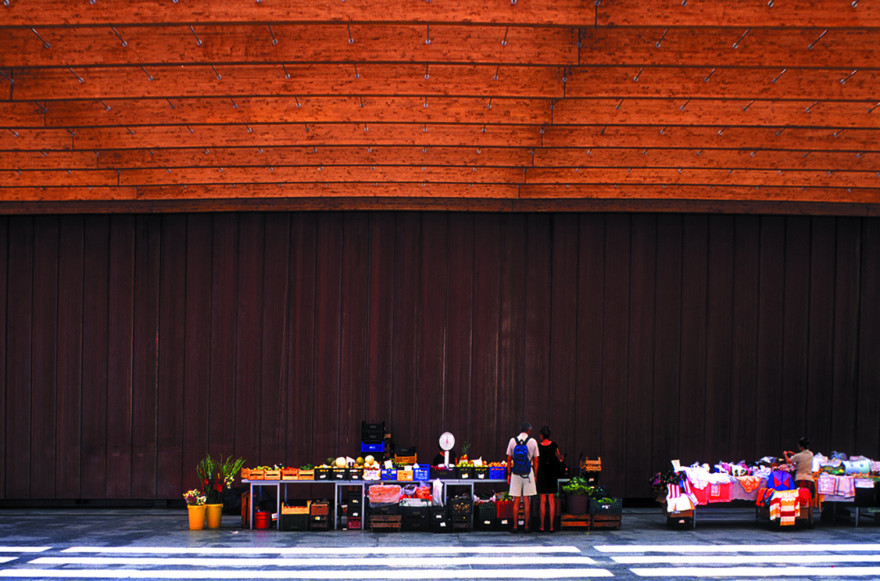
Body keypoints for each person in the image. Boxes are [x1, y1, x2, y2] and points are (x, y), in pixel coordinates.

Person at [506, 422, 539, 533]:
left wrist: (508, 474)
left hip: (515, 473)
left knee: (516, 500)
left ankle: (515, 526)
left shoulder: (512, 441)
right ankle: (526, 526)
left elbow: (509, 459)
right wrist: (535, 475)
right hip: (528, 473)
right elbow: (536, 459)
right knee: (526, 501)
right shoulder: (533, 441)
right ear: (529, 430)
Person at [536, 425, 564, 532]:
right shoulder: (554, 445)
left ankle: (542, 526)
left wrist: (536, 474)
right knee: (551, 501)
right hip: (552, 474)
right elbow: (559, 457)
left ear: (542, 435)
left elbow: (537, 461)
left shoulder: (539, 446)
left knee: (542, 501)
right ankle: (552, 527)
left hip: (542, 473)